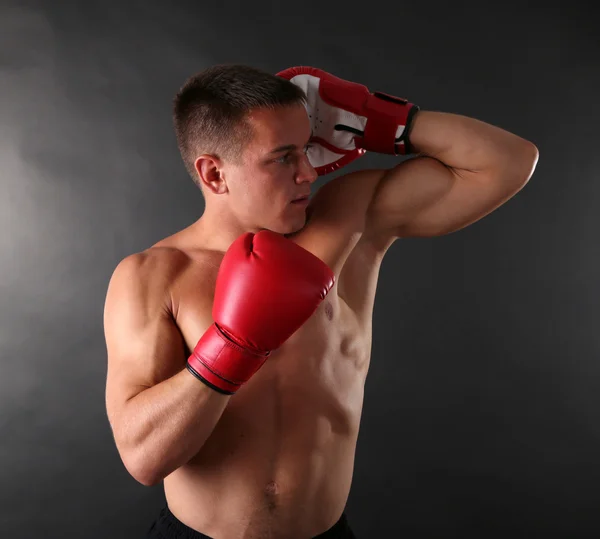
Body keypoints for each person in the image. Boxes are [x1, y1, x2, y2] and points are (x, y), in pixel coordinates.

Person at [103, 64, 539, 539]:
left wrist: (386, 122)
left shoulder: (350, 220)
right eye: (283, 156)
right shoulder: (153, 275)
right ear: (214, 173)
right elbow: (144, 459)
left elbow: (508, 161)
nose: (309, 170)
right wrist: (231, 347)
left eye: (307, 147)